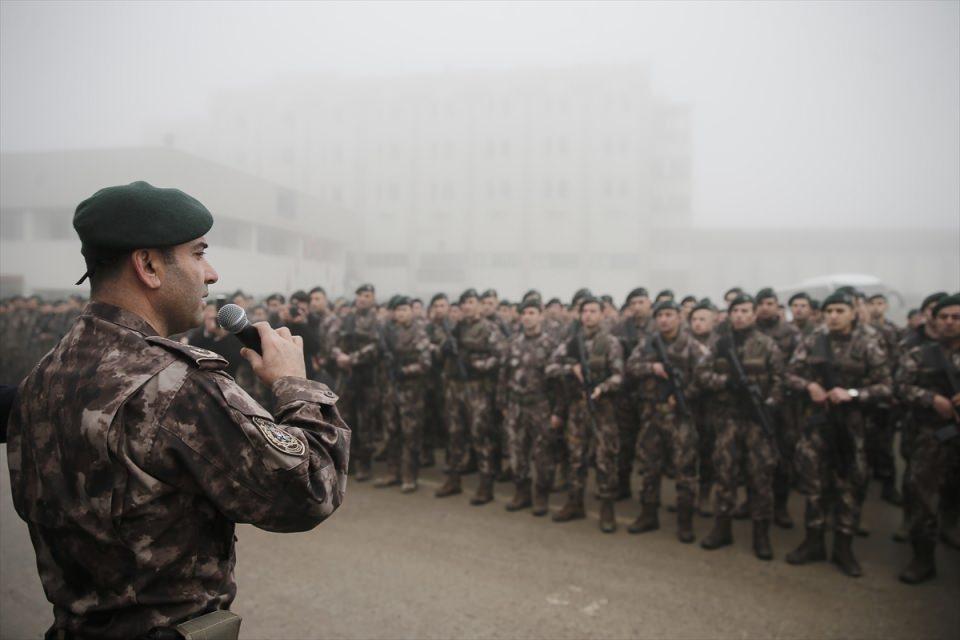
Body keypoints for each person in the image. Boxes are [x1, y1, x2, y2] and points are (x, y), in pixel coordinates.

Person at [6, 181, 350, 639]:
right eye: (198, 253)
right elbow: (309, 489)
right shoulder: (175, 385)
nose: (210, 274)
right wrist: (295, 385)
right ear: (148, 265)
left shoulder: (47, 375)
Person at [785, 291, 892, 577]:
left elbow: (887, 386)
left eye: (840, 311)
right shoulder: (813, 341)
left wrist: (854, 393)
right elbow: (789, 374)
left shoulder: (868, 344)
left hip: (852, 426)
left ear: (853, 313)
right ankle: (813, 541)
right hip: (817, 424)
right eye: (829, 310)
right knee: (814, 484)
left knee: (849, 486)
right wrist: (809, 386)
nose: (833, 316)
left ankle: (844, 547)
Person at [696, 294, 783, 560]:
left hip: (756, 420)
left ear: (754, 314)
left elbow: (780, 380)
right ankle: (722, 529)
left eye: (745, 311)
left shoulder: (767, 345)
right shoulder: (719, 344)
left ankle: (761, 535)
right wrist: (725, 382)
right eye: (736, 311)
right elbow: (701, 375)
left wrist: (769, 404)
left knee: (760, 478)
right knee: (725, 473)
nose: (740, 315)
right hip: (727, 419)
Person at [626, 299, 708, 543]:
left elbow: (703, 379)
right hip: (652, 414)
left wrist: (683, 396)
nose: (664, 319)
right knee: (650, 468)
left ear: (678, 318)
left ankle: (685, 522)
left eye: (669, 314)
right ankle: (648, 514)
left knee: (685, 470)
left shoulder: (691, 346)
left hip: (680, 416)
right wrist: (652, 367)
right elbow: (630, 367)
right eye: (660, 315)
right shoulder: (648, 342)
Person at [896, 294, 960, 584]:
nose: (949, 322)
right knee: (922, 494)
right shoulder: (919, 354)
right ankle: (923, 558)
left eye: (956, 317)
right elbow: (900, 385)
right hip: (930, 434)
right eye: (944, 317)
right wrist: (930, 398)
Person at [546, 296, 624, 533]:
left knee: (604, 459)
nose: (588, 315)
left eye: (593, 311)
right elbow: (549, 368)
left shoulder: (610, 343)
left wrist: (603, 388)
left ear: (602, 314)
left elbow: (620, 375)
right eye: (585, 311)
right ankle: (575, 503)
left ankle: (607, 507)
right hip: (577, 408)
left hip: (603, 408)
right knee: (576, 457)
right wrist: (571, 368)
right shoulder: (571, 343)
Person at [497, 298, 559, 513]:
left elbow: (558, 382)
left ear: (540, 315)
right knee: (517, 451)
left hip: (540, 406)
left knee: (542, 453)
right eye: (525, 313)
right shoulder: (512, 343)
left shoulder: (551, 344)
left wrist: (557, 411)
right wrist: (502, 403)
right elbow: (504, 374)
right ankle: (521, 492)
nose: (528, 317)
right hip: (516, 405)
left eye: (532, 312)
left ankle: (541, 495)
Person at [373, 296, 432, 492]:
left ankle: (409, 476)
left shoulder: (419, 332)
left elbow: (425, 362)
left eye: (405, 310)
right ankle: (393, 472)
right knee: (391, 431)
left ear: (411, 312)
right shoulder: (388, 331)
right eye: (398, 310)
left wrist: (405, 370)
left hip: (411, 392)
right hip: (391, 389)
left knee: (410, 434)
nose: (401, 313)